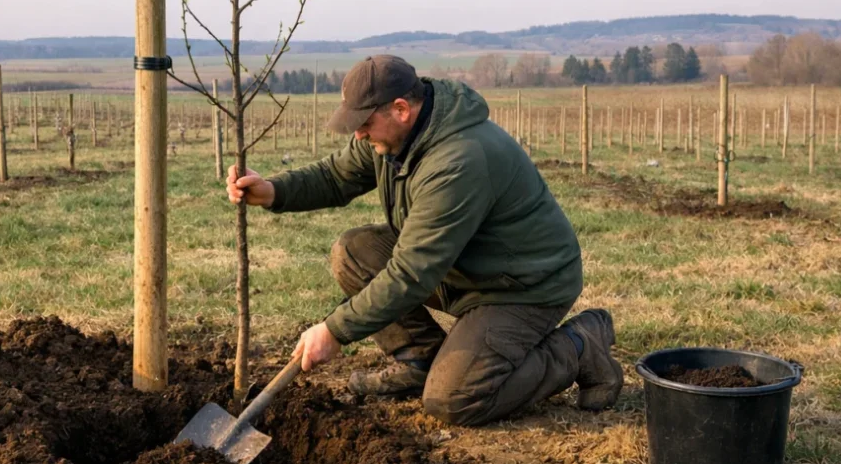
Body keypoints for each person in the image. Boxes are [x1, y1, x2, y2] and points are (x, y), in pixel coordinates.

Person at [226, 55, 622, 426]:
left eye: (364, 123)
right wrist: (273, 191)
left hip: (521, 286)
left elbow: (412, 273)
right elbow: (335, 176)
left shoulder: (458, 160)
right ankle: (420, 362)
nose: (359, 134)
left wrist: (334, 330)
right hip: (462, 267)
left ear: (401, 109)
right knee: (354, 253)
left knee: (455, 399)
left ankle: (579, 346)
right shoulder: (394, 138)